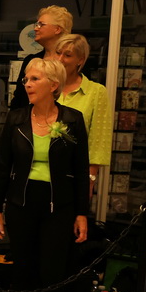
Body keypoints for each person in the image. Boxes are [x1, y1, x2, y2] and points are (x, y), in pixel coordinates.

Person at [0, 58, 90, 292]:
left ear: (53, 85)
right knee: (23, 268)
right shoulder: (16, 118)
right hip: (22, 202)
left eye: (34, 79)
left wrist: (82, 213)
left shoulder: (72, 119)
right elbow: (3, 165)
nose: (27, 84)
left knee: (53, 271)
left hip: (59, 205)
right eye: (26, 79)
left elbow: (81, 168)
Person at [55, 34, 112, 194]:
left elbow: (99, 139)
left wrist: (90, 178)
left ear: (80, 60)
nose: (60, 59)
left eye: (67, 55)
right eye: (58, 53)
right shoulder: (46, 86)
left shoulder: (96, 92)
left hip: (75, 172)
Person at [11, 5, 73, 110]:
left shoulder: (71, 62)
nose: (35, 28)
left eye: (41, 25)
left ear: (57, 29)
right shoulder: (31, 61)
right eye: (36, 24)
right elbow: (19, 99)